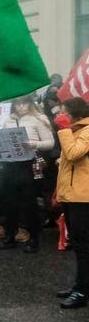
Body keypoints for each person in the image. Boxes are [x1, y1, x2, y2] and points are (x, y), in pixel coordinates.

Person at [0, 95, 53, 253]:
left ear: (30, 103)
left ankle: (33, 238)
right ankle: (10, 235)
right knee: (8, 202)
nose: (20, 106)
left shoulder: (38, 118)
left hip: (29, 164)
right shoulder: (8, 120)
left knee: (29, 203)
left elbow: (50, 142)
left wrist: (35, 144)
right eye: (17, 103)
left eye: (24, 103)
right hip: (10, 165)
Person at [55, 99, 89, 308]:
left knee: (83, 245)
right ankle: (80, 284)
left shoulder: (86, 130)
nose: (60, 113)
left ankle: (81, 292)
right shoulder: (77, 130)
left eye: (64, 111)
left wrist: (65, 130)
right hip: (72, 194)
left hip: (83, 197)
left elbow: (73, 153)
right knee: (78, 244)